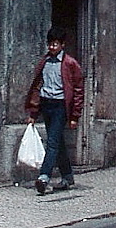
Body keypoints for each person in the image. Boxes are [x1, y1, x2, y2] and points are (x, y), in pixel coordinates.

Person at [25, 27, 85, 195]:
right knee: (58, 143)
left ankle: (44, 176)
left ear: (62, 45)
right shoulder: (44, 62)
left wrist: (74, 116)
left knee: (52, 143)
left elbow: (78, 89)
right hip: (46, 104)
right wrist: (33, 113)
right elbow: (37, 87)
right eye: (50, 44)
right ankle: (68, 176)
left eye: (55, 44)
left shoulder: (70, 64)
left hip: (60, 106)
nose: (52, 47)